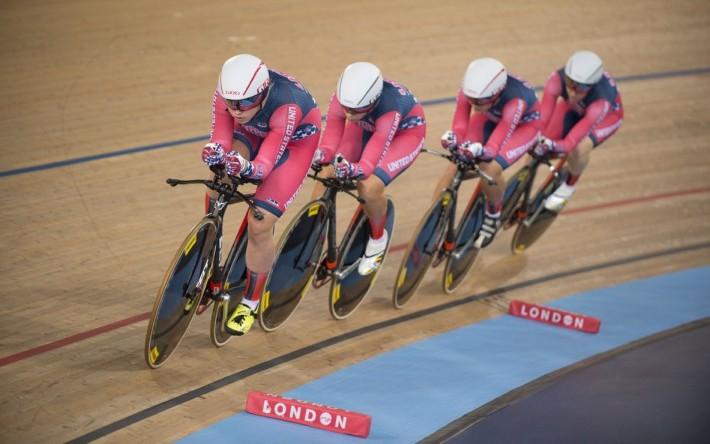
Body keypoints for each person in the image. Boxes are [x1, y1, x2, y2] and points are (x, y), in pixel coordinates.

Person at [200, 54, 321, 336]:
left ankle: (250, 302)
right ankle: (207, 255)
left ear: (263, 93)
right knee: (216, 181)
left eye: (244, 103)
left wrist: (245, 166)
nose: (236, 110)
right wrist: (216, 153)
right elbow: (220, 136)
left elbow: (264, 166)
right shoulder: (229, 97)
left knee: (261, 222)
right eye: (231, 104)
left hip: (294, 144)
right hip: (252, 133)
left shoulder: (287, 107)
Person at [312, 62, 426, 275]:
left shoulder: (390, 106)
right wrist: (323, 154)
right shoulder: (345, 99)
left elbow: (368, 163)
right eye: (346, 108)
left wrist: (354, 170)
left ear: (372, 102)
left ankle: (377, 239)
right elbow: (333, 132)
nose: (348, 114)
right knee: (326, 173)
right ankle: (313, 236)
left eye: (355, 110)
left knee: (368, 186)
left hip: (404, 136)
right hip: (364, 127)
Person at [437, 57, 541, 248]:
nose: (474, 104)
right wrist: (454, 139)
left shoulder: (515, 101)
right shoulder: (471, 92)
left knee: (490, 168)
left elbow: (495, 145)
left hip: (523, 128)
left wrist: (481, 151)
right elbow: (460, 125)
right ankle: (434, 222)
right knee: (455, 165)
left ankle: (493, 214)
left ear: (497, 93)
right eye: (471, 99)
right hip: (489, 118)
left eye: (480, 100)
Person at [534, 50, 624, 211]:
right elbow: (542, 119)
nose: (572, 90)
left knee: (579, 148)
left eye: (580, 87)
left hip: (606, 118)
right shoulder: (556, 79)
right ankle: (523, 183)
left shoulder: (601, 101)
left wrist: (557, 146)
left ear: (591, 86)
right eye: (569, 82)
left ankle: (569, 186)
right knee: (538, 141)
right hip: (574, 107)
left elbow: (570, 142)